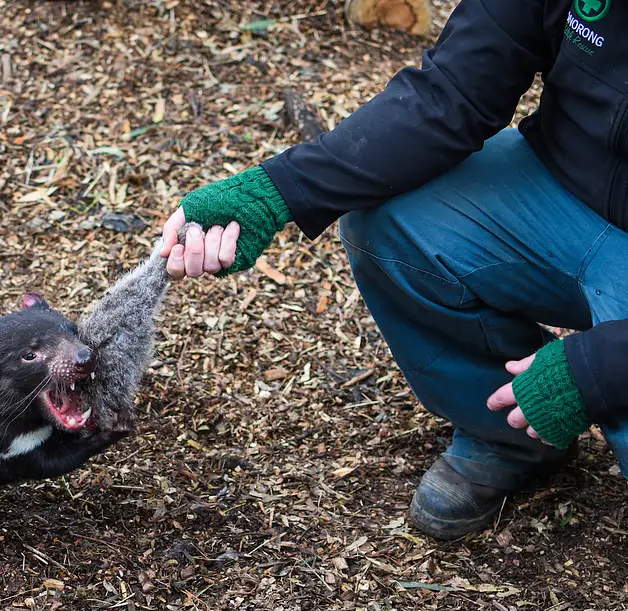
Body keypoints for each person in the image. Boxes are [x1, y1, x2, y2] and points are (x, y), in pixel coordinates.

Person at [158, 0, 628, 540]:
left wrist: (599, 369)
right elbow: (450, 93)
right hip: (559, 186)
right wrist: (279, 189)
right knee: (394, 223)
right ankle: (505, 431)